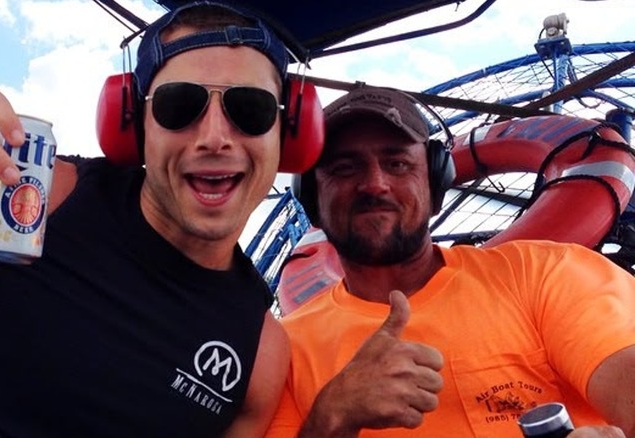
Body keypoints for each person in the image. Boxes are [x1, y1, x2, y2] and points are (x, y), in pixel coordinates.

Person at [0, 2, 322, 436]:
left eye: (252, 109)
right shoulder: (31, 193)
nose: (216, 137)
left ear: (291, 133)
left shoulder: (259, 354)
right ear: (136, 126)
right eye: (179, 106)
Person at [265, 86, 635, 437]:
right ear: (312, 195)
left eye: (397, 163)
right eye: (345, 168)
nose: (375, 183)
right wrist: (332, 416)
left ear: (436, 182)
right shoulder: (282, 352)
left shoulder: (546, 272)